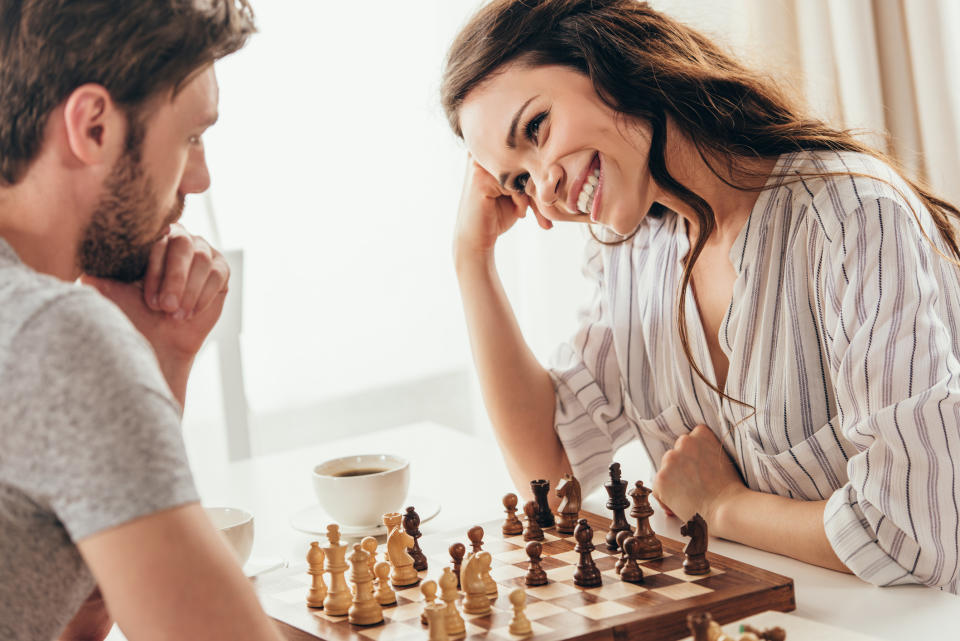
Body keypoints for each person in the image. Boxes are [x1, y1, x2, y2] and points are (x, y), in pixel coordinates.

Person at [441, 0, 960, 593]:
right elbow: (548, 478)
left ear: (607, 60)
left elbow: (918, 532)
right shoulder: (628, 254)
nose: (546, 187)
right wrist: (472, 260)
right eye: (519, 182)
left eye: (536, 128)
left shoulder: (850, 221)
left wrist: (720, 505)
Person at [0, 1, 286, 639]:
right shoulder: (52, 335)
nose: (201, 177)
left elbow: (55, 625)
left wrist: (160, 360)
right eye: (190, 137)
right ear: (94, 126)